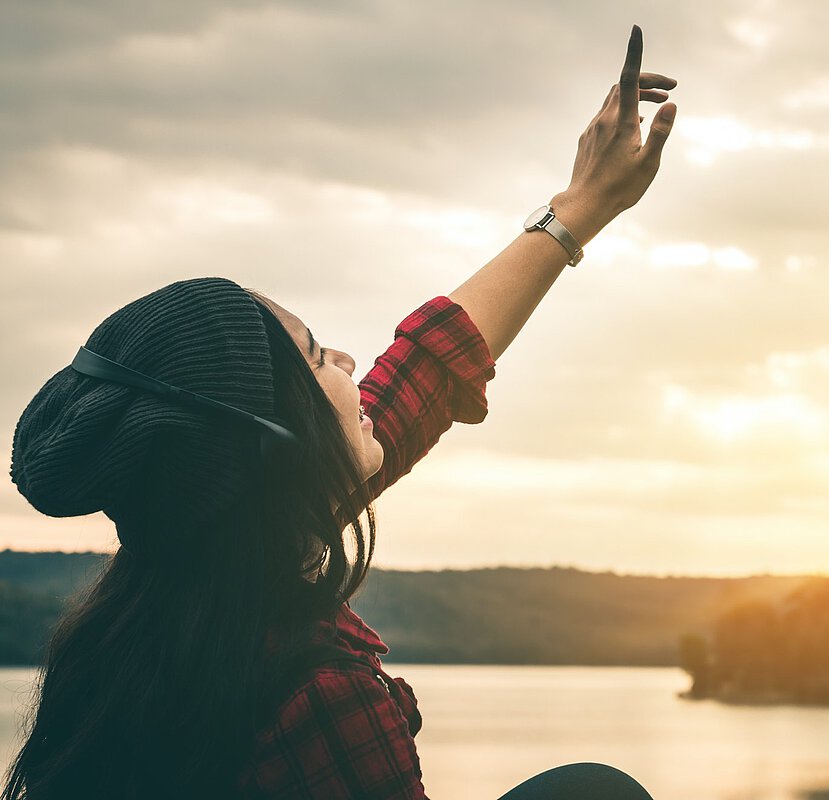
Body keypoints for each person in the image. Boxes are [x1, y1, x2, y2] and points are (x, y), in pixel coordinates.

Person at [4, 23, 675, 800]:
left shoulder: (166, 596)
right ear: (280, 449)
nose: (352, 363)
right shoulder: (319, 698)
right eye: (318, 354)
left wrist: (583, 204)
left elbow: (422, 372)